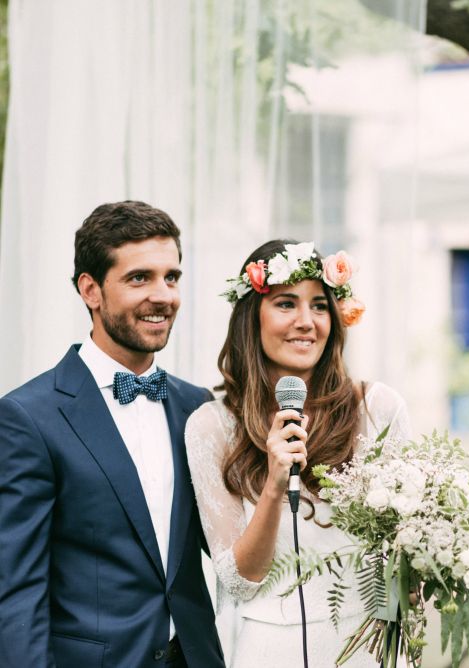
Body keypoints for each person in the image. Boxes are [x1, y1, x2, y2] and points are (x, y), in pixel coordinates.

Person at [0, 201, 225, 668]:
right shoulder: (27, 417)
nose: (163, 295)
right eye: (139, 278)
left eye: (172, 277)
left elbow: (231, 546)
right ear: (91, 290)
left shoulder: (197, 407)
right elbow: (16, 590)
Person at [185, 240, 411, 667]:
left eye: (320, 306)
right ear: (252, 317)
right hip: (269, 648)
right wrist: (273, 483)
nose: (306, 322)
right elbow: (238, 583)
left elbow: (404, 545)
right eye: (286, 304)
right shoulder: (211, 427)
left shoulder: (378, 409)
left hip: (368, 642)